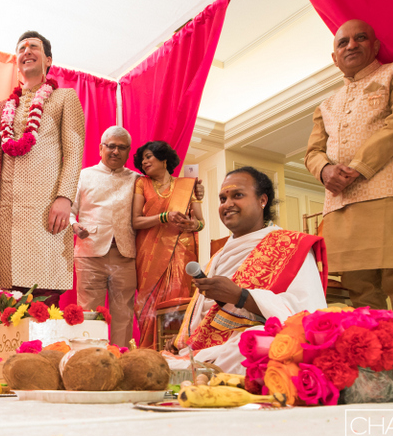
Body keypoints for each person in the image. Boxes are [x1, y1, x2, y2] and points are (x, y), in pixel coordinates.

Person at [305, 19, 393, 321]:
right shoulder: (326, 104)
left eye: (360, 38)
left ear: (375, 46)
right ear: (334, 58)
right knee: (360, 294)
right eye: (342, 42)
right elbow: (312, 152)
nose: (351, 45)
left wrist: (358, 167)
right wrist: (324, 171)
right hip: (341, 206)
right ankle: (376, 368)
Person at [172, 167, 328, 374]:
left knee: (256, 343)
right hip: (209, 349)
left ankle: (198, 374)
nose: (227, 204)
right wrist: (180, 344)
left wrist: (241, 296)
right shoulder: (218, 256)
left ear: (262, 200)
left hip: (247, 344)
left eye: (237, 195)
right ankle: (197, 372)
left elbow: (308, 314)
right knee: (163, 361)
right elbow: (202, 315)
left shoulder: (291, 246)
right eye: (222, 199)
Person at [0, 31, 85, 303]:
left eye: (34, 47)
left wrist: (64, 197)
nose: (27, 51)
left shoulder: (64, 99)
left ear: (48, 59)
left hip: (46, 209)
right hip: (6, 213)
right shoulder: (2, 108)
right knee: (4, 298)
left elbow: (74, 150)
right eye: (22, 48)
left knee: (42, 295)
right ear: (17, 60)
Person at [69, 126, 138, 346]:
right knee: (88, 313)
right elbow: (70, 210)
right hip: (90, 253)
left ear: (128, 152)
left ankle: (120, 361)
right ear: (101, 148)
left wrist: (195, 192)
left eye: (122, 147)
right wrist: (74, 225)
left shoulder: (137, 179)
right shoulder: (84, 175)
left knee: (123, 315)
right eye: (111, 146)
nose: (116, 151)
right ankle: (89, 361)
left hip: (125, 255)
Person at [132, 141, 203, 350]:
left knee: (179, 301)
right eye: (142, 159)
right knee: (149, 305)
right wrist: (164, 217)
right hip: (149, 252)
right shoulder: (141, 183)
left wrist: (192, 224)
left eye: (149, 156)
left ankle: (177, 349)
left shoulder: (187, 185)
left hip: (182, 251)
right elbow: (136, 221)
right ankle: (149, 351)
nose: (144, 162)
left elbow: (201, 222)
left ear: (164, 159)